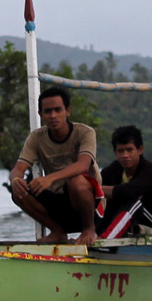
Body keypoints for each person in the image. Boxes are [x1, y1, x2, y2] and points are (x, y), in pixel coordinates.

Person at [9, 85, 100, 244]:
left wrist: (49, 178)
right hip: (59, 200)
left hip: (89, 201)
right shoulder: (36, 137)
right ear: (41, 115)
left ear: (68, 111)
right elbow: (18, 169)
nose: (53, 115)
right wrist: (16, 180)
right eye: (48, 111)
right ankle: (58, 231)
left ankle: (89, 229)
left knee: (75, 180)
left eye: (58, 110)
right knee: (19, 192)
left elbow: (83, 165)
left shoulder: (85, 132)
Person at [97, 125, 152, 237]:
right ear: (115, 152)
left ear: (140, 149)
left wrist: (96, 189)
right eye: (121, 151)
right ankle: (94, 235)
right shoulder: (113, 170)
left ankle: (106, 241)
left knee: (133, 202)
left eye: (129, 150)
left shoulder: (149, 170)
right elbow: (96, 186)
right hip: (131, 225)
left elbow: (129, 192)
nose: (125, 155)